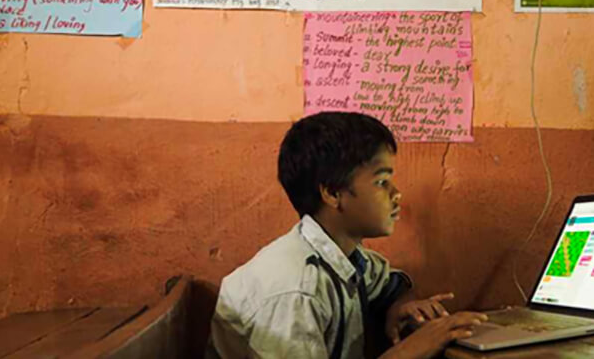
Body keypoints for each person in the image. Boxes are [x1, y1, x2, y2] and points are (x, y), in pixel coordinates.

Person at [208, 112, 488, 358]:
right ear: (332, 193)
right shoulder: (296, 293)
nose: (396, 193)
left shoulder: (346, 256)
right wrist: (411, 350)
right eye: (381, 182)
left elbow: (394, 287)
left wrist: (402, 308)